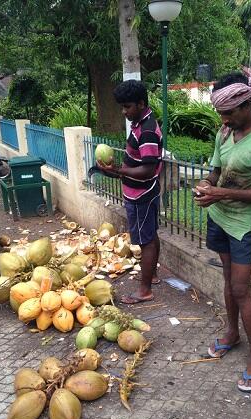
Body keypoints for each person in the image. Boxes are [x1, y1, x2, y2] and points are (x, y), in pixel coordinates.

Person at [194, 70, 251, 392]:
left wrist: (223, 193)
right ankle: (232, 333)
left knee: (241, 290)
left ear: (246, 104)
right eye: (220, 113)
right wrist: (208, 187)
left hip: (243, 227)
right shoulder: (224, 133)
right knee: (229, 284)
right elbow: (217, 171)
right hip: (219, 217)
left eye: (229, 112)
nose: (224, 119)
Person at [97, 79, 162, 304]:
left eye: (127, 107)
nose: (124, 111)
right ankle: (151, 275)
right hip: (140, 191)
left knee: (146, 242)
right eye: (122, 107)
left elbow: (147, 168)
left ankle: (144, 290)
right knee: (150, 235)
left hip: (142, 194)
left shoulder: (146, 130)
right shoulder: (140, 123)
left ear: (141, 103)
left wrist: (117, 169)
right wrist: (116, 171)